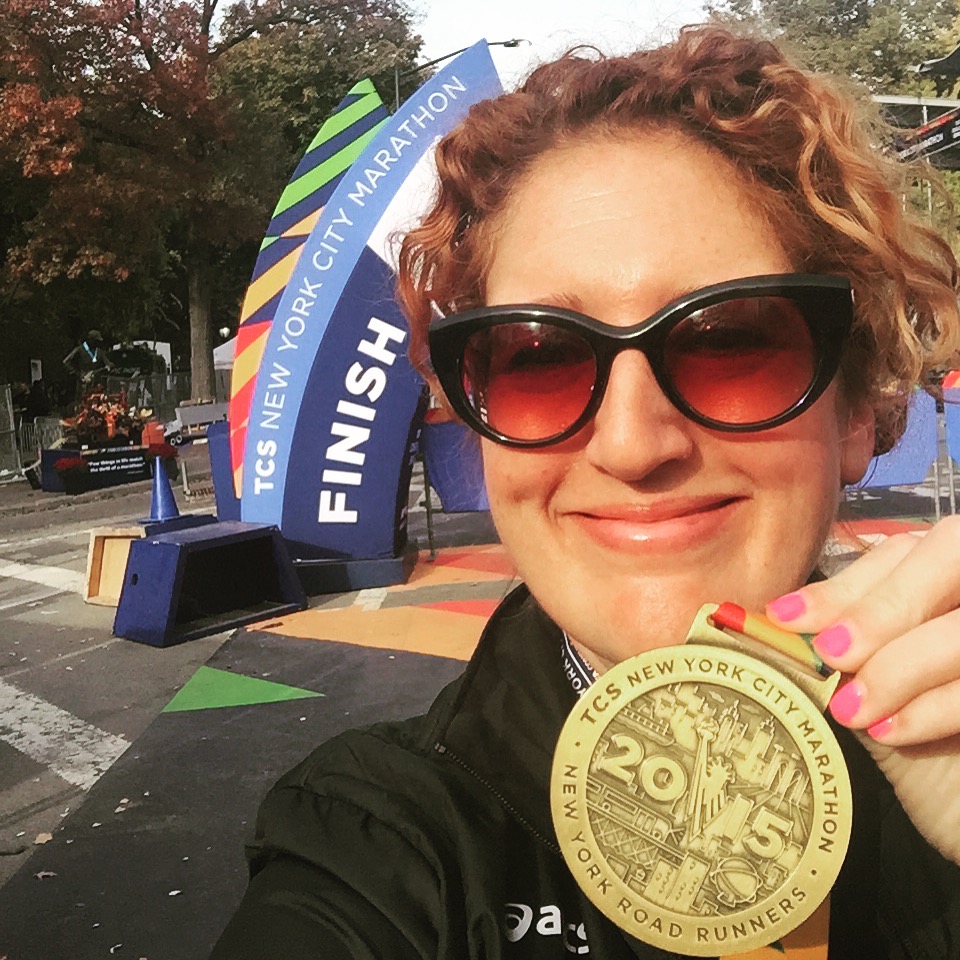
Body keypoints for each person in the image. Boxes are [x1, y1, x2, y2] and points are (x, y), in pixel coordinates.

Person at [211, 25, 960, 959]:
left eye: (730, 339)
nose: (632, 445)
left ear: (853, 413)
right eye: (540, 357)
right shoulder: (384, 847)